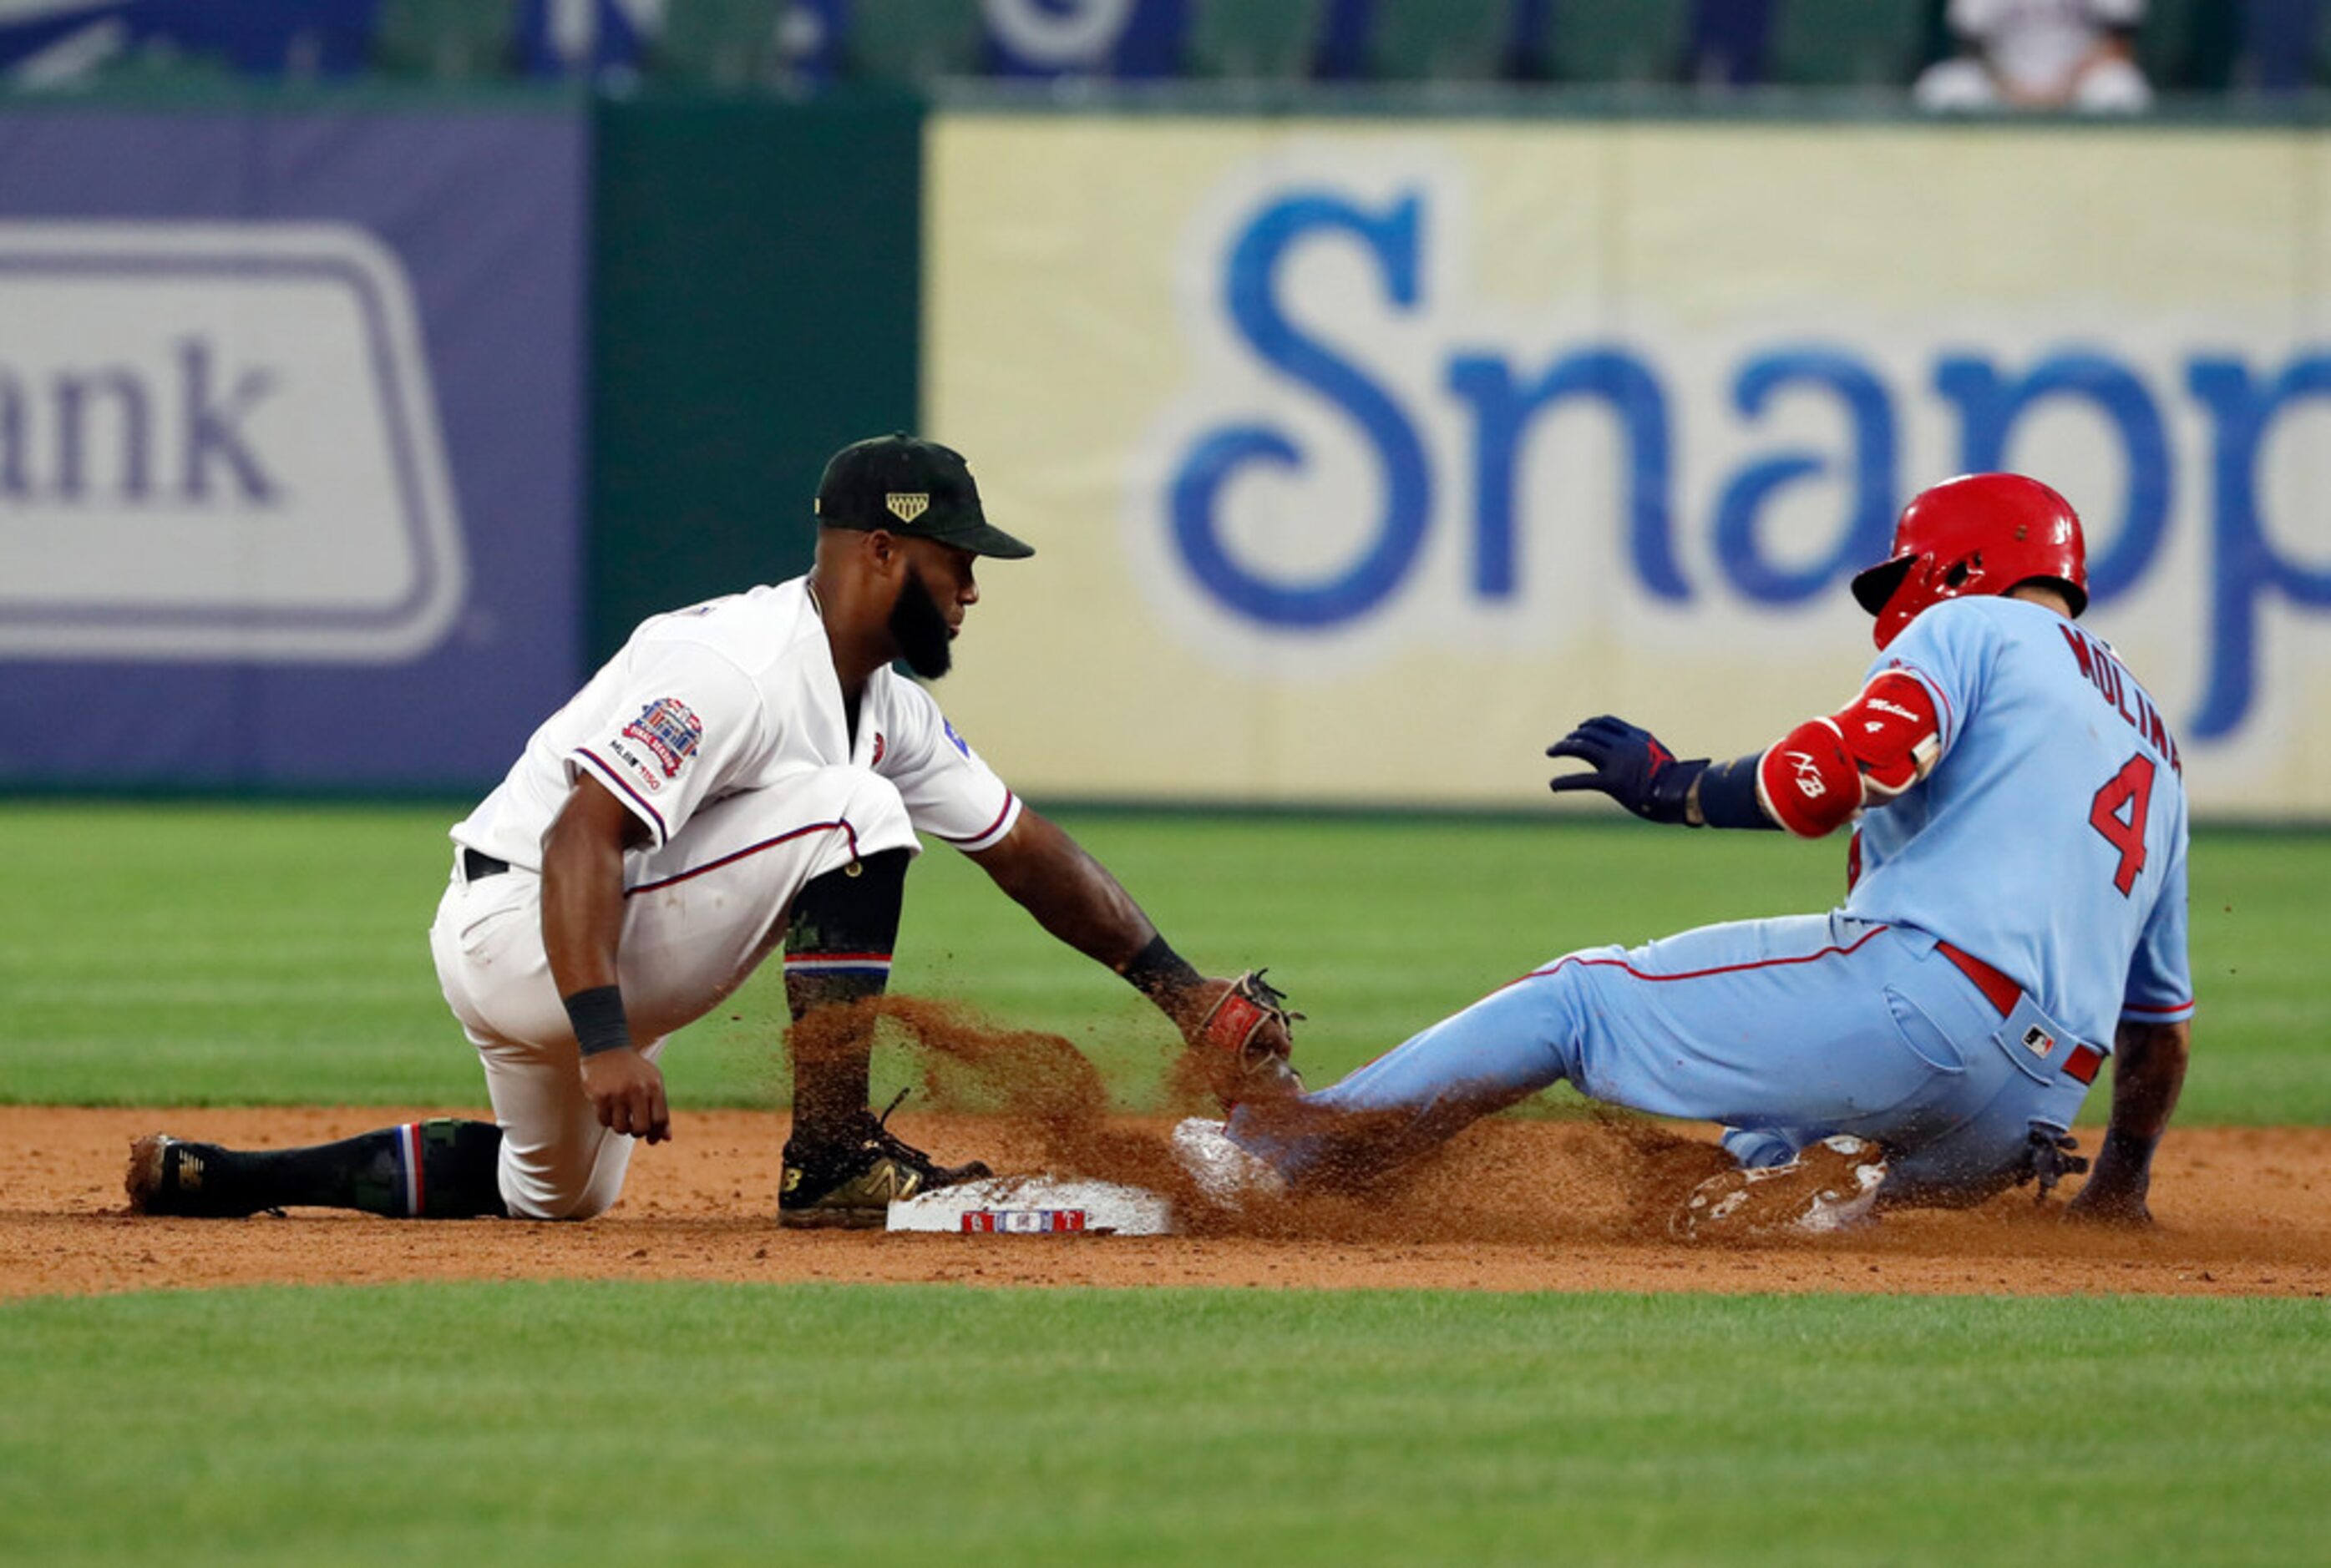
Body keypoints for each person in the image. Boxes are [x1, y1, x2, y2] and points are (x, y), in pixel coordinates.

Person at [129, 433, 1294, 1229]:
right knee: (851, 809)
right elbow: (583, 834)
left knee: (558, 1197)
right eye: (954, 563)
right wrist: (601, 1038)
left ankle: (224, 1177)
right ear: (880, 552)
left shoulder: (884, 703)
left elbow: (1022, 850)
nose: (970, 591)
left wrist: (1179, 990)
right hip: (525, 924)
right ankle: (829, 1156)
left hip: (581, 952)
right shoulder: (728, 663)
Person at [1178, 473, 2192, 1235]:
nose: (1898, 597)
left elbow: (1836, 775)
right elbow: (2159, 1031)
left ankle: (1289, 1151)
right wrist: (2118, 1189)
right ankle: (1811, 1184)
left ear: (1966, 566)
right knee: (1764, 1135)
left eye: (1902, 573)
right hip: (2024, 1120)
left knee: (1576, 999)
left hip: (1923, 1010)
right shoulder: (2158, 747)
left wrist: (1677, 787)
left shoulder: (1975, 626)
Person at [1914, 0, 2153, 113]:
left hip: (2079, 89)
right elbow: (1972, 48)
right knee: (1944, 86)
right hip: (2003, 89)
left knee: (2121, 89)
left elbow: (2119, 44)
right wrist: (2009, 88)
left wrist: (2066, 87)